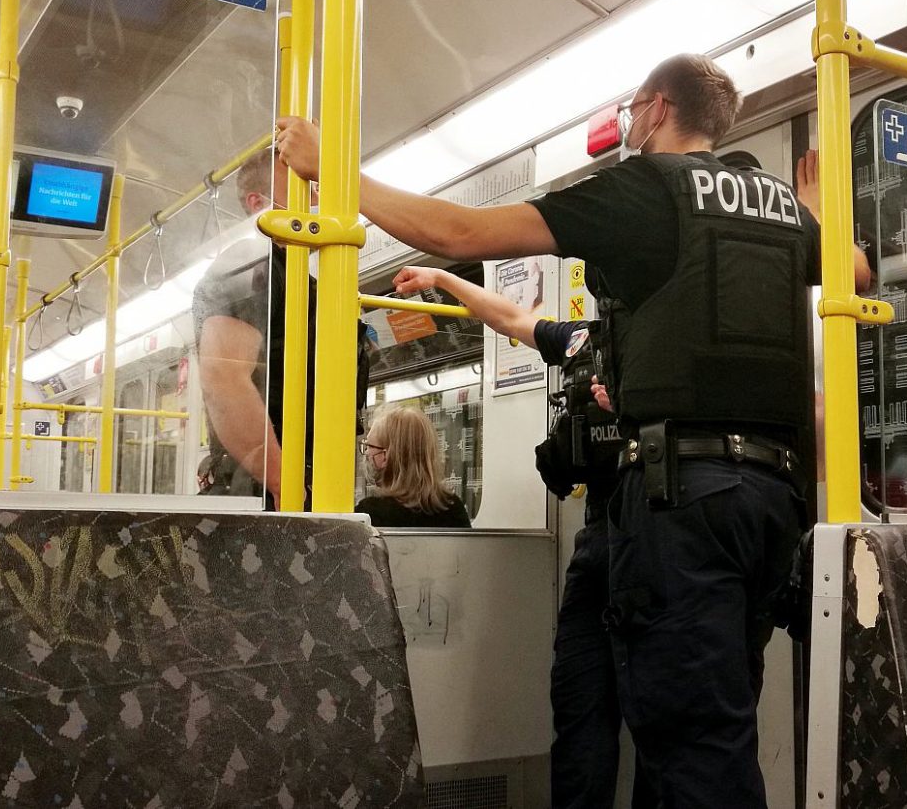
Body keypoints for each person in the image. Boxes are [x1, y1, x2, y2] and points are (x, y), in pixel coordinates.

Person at [276, 53, 871, 807]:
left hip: (683, 503)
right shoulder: (782, 206)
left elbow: (459, 230)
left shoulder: (646, 190)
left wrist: (334, 171)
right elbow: (857, 273)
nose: (628, 124)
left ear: (657, 108)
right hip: (776, 504)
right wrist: (816, 207)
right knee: (715, 722)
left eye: (631, 110)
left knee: (693, 749)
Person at [392, 264, 652, 808]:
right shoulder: (583, 341)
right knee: (578, 711)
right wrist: (443, 277)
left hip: (658, 544)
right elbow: (510, 318)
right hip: (598, 545)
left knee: (662, 726)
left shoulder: (663, 354)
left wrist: (635, 408)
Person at [192, 149, 369, 509]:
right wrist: (285, 485)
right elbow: (224, 378)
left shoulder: (300, 277)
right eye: (304, 188)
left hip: (300, 481)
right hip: (266, 490)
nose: (318, 198)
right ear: (260, 204)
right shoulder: (250, 261)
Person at [356, 405, 472, 528]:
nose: (367, 453)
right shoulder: (453, 508)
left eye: (369, 446)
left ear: (385, 456)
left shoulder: (368, 514)